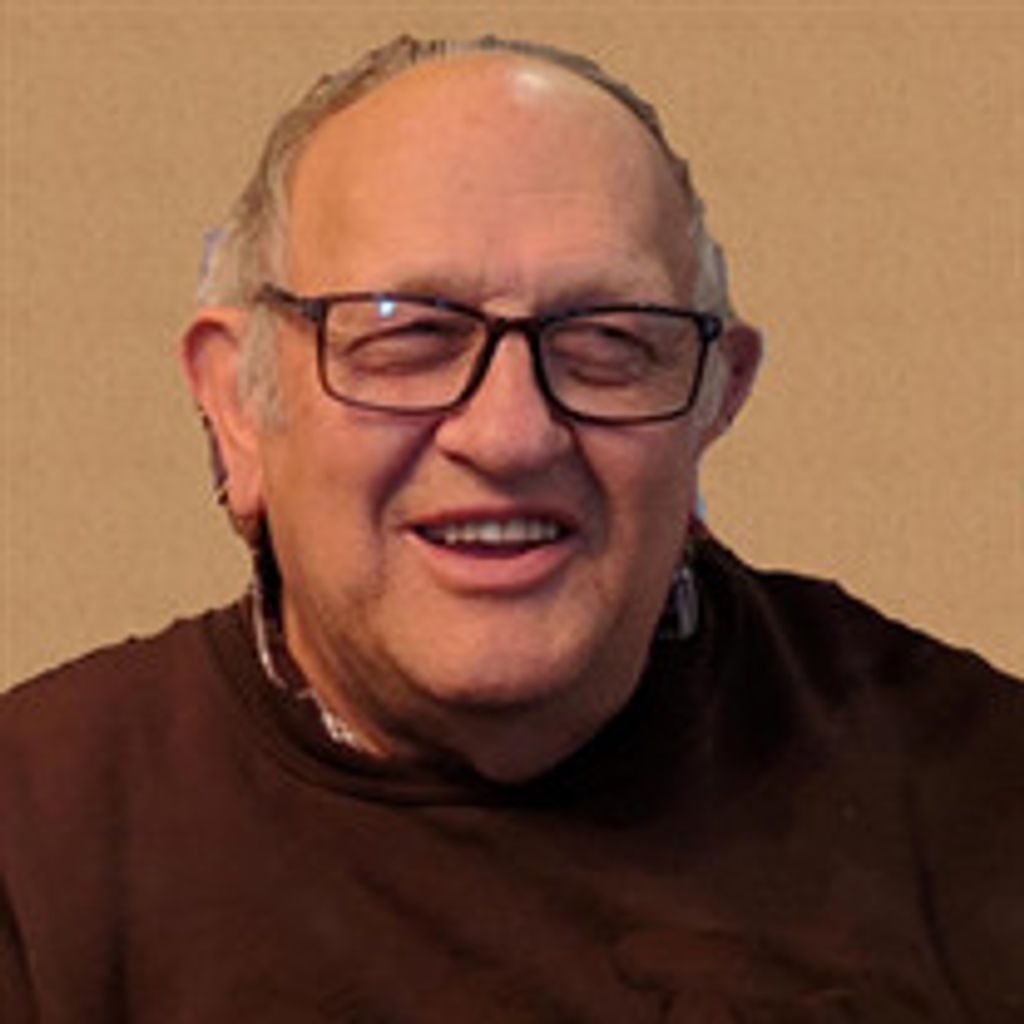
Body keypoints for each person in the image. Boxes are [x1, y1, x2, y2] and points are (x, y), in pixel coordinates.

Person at [2, 34, 1021, 1023]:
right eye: (408, 335)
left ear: (714, 395)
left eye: (608, 342)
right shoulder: (32, 837)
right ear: (236, 402)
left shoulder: (973, 788)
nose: (511, 435)